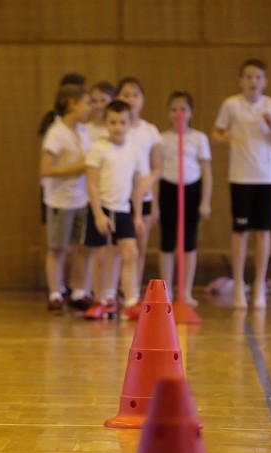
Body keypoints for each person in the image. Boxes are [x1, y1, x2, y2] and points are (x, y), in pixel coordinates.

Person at [212, 58, 271, 309]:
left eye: (258, 77)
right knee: (240, 231)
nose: (253, 81)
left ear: (264, 81)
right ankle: (238, 287)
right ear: (240, 80)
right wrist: (226, 137)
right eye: (248, 76)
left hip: (266, 176)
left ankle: (259, 287)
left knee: (263, 231)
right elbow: (217, 132)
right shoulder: (231, 105)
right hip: (240, 176)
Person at [94, 77, 162, 319]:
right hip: (111, 199)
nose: (130, 98)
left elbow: (154, 168)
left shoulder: (149, 131)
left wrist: (145, 188)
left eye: (135, 94)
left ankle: (130, 296)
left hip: (135, 197)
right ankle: (107, 296)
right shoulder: (106, 140)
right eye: (125, 94)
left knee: (134, 248)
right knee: (110, 251)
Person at [83, 100, 148, 321]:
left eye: (122, 122)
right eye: (113, 122)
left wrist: (137, 215)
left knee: (131, 253)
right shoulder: (98, 148)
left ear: (130, 124)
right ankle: (100, 300)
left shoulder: (134, 150)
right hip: (102, 208)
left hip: (123, 210)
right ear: (106, 124)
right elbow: (91, 184)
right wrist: (98, 214)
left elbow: (138, 185)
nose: (118, 127)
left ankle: (130, 301)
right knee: (101, 255)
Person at [40, 83, 93, 310]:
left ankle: (79, 290)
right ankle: (55, 293)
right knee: (57, 248)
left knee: (82, 247)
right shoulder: (56, 133)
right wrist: (79, 167)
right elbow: (46, 170)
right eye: (86, 102)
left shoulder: (82, 130)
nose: (89, 108)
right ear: (73, 104)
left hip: (81, 198)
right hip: (60, 201)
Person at [158, 91, 213, 306]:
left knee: (189, 242)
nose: (178, 113)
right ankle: (166, 291)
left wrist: (205, 202)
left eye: (183, 109)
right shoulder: (161, 139)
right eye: (173, 109)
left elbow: (207, 172)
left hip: (191, 188)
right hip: (168, 188)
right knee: (167, 241)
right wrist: (154, 205)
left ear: (190, 112)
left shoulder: (199, 138)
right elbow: (157, 170)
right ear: (168, 112)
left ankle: (186, 291)